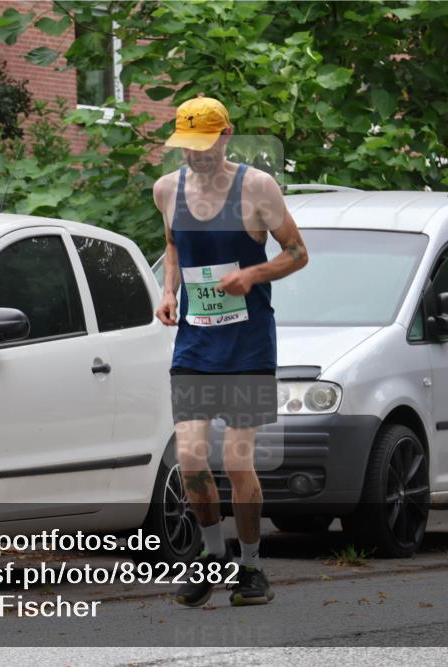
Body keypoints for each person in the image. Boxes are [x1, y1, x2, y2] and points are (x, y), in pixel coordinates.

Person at [153, 96, 308, 607]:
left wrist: (253, 274)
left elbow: (297, 253)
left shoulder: (257, 187)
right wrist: (169, 291)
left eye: (205, 145)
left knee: (238, 462)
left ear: (227, 136)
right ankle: (213, 553)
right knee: (190, 459)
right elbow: (173, 246)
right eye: (187, 146)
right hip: (195, 345)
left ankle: (252, 566)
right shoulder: (166, 189)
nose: (196, 155)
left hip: (248, 347)